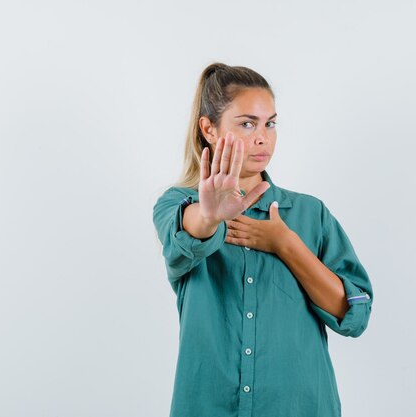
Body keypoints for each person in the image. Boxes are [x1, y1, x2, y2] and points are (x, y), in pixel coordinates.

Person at [152, 62, 374, 417]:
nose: (262, 137)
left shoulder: (310, 214)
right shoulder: (179, 205)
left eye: (270, 123)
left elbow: (353, 316)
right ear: (209, 129)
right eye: (246, 124)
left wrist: (285, 244)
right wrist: (211, 215)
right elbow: (187, 237)